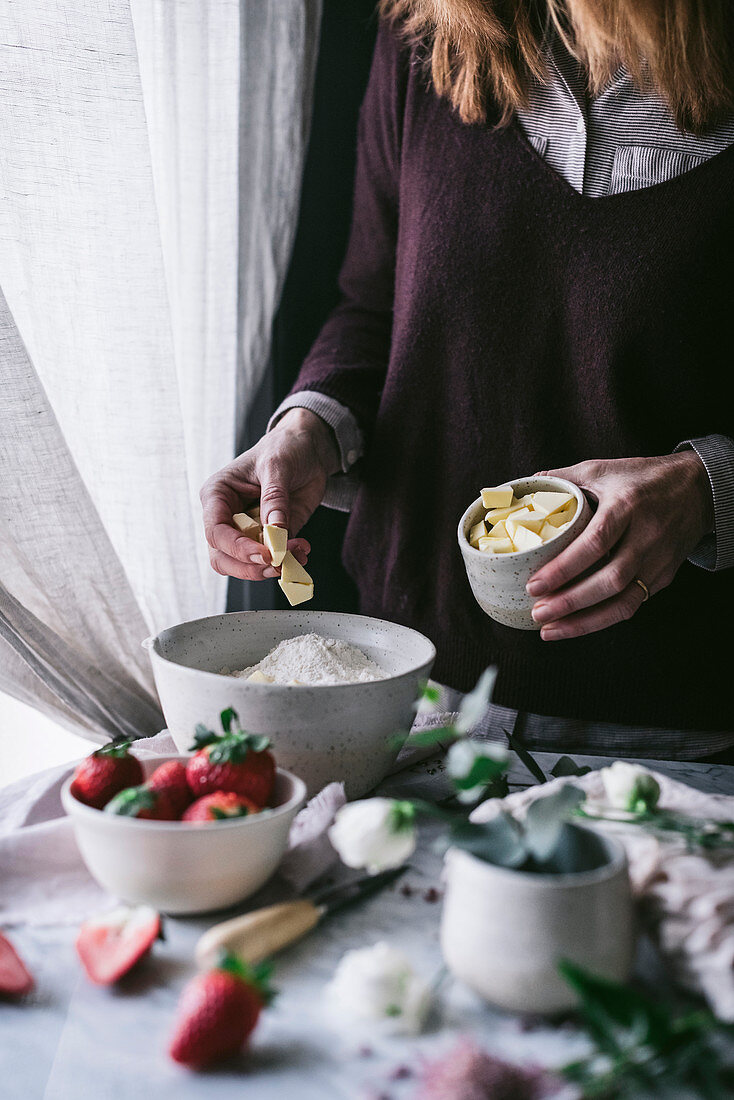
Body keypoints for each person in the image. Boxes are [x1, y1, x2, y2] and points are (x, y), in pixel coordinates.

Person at [201, 0, 734, 760]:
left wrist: (706, 489)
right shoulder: (424, 36)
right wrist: (307, 429)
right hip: (410, 694)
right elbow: (374, 303)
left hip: (686, 735)